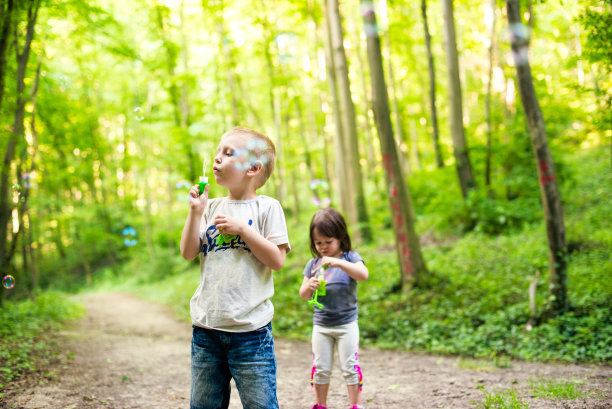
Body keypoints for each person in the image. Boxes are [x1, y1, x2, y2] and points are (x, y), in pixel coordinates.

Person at [180, 126, 290, 409]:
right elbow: (188, 252)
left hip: (252, 333)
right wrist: (194, 212)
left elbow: (276, 260)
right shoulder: (210, 206)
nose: (217, 158)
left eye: (228, 153)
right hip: (207, 329)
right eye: (218, 151)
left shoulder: (267, 208)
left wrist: (244, 230)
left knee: (260, 405)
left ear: (252, 168)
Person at [299, 207, 369, 409]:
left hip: (347, 325)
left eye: (328, 242)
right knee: (320, 368)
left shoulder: (350, 258)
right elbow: (303, 294)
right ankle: (320, 405)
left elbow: (363, 274)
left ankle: (355, 405)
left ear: (340, 238)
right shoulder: (313, 264)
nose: (323, 247)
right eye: (318, 242)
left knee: (350, 367)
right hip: (321, 326)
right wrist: (309, 287)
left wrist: (338, 263)